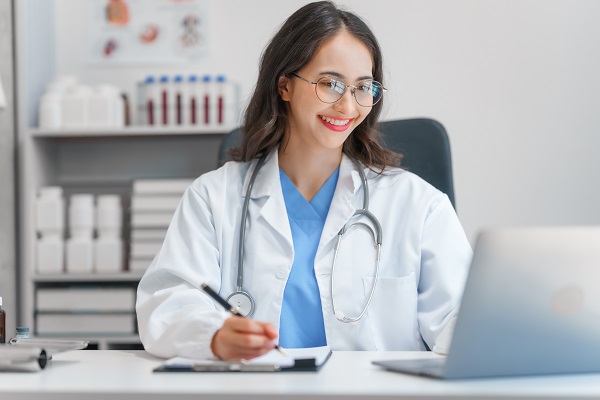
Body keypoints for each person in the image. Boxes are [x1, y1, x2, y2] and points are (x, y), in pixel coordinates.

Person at [136, 1, 472, 361]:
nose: (348, 106)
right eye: (330, 83)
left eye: (363, 87)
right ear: (284, 86)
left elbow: (463, 317)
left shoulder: (418, 204)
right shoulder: (213, 197)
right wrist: (214, 335)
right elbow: (167, 303)